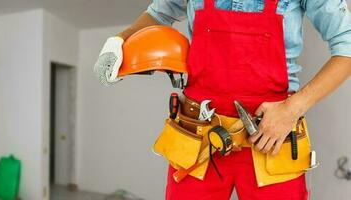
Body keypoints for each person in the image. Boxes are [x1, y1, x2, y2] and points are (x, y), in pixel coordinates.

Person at [94, 0, 351, 199]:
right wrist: (118, 41)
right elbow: (159, 12)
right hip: (198, 138)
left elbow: (346, 45)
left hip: (271, 138)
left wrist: (291, 109)